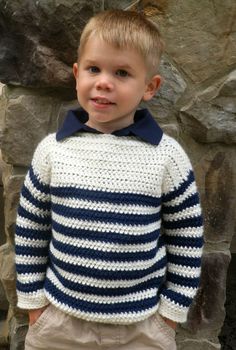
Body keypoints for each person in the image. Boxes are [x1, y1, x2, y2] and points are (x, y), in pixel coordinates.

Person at [15, 9, 203, 350]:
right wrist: (33, 303)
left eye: (122, 72)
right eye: (93, 69)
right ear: (76, 74)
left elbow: (186, 237)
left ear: (150, 86)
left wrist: (171, 313)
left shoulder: (166, 156)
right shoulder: (52, 151)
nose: (104, 81)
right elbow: (30, 230)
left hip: (142, 328)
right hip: (59, 322)